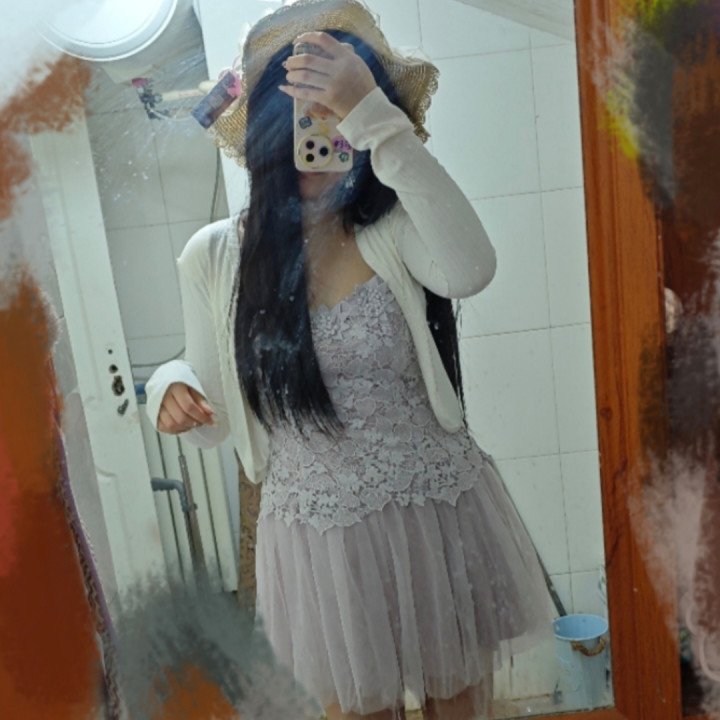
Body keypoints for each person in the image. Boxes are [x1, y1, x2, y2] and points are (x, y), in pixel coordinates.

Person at [146, 1, 553, 718]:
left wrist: (375, 116)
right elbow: (214, 413)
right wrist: (171, 388)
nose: (324, 136)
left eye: (338, 117)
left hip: (434, 516)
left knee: (458, 705)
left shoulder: (393, 221)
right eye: (303, 119)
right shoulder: (216, 256)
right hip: (318, 544)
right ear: (269, 132)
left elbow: (472, 269)